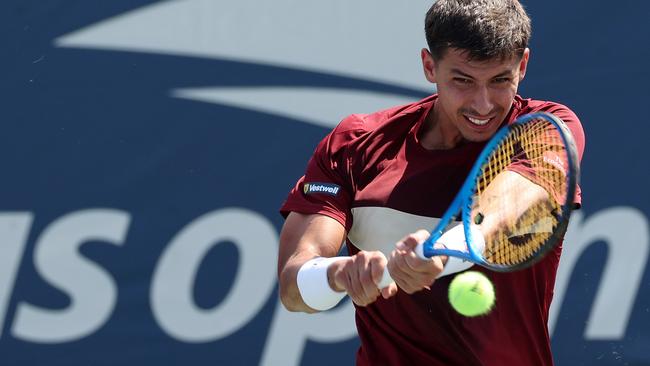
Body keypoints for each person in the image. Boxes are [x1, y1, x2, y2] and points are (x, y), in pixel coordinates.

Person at [277, 0, 585, 364]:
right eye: (463, 80)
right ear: (429, 66)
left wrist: (441, 252)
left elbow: (507, 208)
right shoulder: (355, 143)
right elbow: (293, 289)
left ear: (523, 65)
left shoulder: (546, 128)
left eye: (500, 80)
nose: (483, 104)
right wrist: (339, 275)